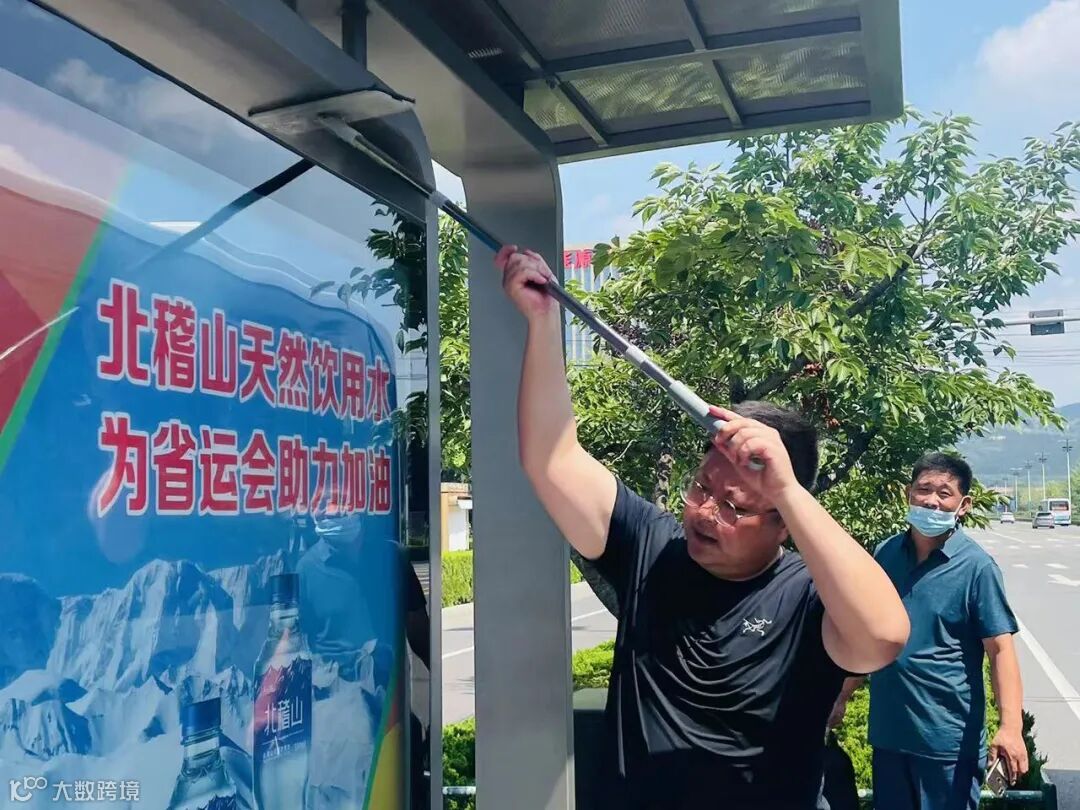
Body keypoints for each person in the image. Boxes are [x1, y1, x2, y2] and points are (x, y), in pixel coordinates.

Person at [495, 246, 910, 809]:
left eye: (734, 507)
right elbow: (552, 459)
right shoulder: (650, 545)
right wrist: (543, 322)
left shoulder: (807, 597)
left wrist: (787, 489)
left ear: (783, 525)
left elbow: (883, 636)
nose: (705, 512)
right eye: (701, 488)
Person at [829, 452, 1028, 810]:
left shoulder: (977, 568)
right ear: (909, 493)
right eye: (923, 489)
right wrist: (841, 695)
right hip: (889, 737)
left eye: (944, 493)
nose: (932, 501)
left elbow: (1001, 650)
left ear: (964, 505)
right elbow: (868, 635)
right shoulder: (886, 553)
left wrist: (1010, 728)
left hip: (947, 746)